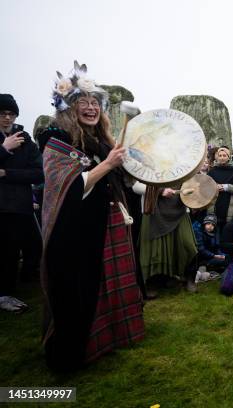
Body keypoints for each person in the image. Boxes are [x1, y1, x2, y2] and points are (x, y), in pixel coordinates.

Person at [37, 62, 144, 370]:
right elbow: (70, 190)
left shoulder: (103, 141)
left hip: (108, 225)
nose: (90, 107)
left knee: (109, 284)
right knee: (81, 291)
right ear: (69, 107)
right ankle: (77, 351)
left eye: (95, 102)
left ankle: (114, 337)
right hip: (75, 235)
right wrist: (107, 165)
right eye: (82, 102)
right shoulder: (56, 139)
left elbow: (123, 179)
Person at [0, 94, 44, 312]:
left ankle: (26, 281)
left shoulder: (25, 139)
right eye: (2, 114)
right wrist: (3, 148)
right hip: (2, 207)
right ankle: (5, 295)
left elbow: (38, 173)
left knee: (35, 246)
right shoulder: (6, 141)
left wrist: (6, 173)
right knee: (6, 252)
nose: (7, 118)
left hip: (23, 205)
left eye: (11, 113)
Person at [136, 182, 198, 292]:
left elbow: (191, 183)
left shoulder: (182, 165)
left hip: (179, 209)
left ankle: (188, 278)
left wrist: (190, 192)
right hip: (153, 211)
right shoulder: (145, 164)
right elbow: (135, 186)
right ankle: (153, 282)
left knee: (188, 245)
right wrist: (160, 191)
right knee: (155, 251)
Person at [208, 146, 233, 234]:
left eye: (224, 155)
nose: (222, 158)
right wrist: (214, 187)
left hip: (229, 203)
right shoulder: (212, 172)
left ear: (228, 157)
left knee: (227, 230)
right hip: (215, 202)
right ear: (216, 157)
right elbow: (206, 186)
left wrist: (226, 187)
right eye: (220, 155)